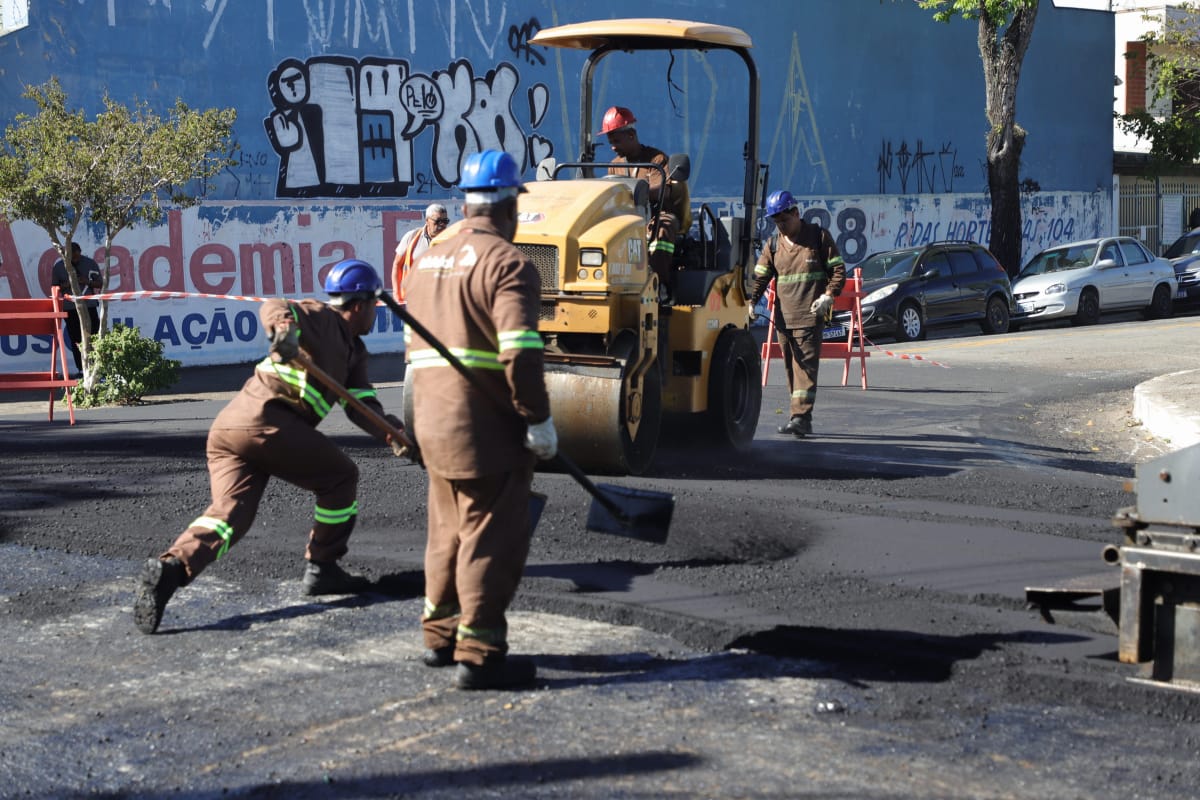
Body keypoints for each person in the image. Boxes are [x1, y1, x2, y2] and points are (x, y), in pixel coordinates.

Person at [133, 259, 407, 634]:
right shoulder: (320, 317)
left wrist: (395, 434)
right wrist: (284, 331)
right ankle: (323, 566)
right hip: (268, 423)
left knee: (231, 515)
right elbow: (275, 306)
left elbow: (363, 408)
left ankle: (171, 569)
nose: (376, 313)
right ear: (359, 305)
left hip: (229, 428)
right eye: (375, 305)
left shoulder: (354, 353)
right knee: (341, 477)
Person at [403, 149, 555, 691]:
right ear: (511, 202)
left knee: (444, 533)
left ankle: (440, 637)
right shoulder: (508, 263)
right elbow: (519, 351)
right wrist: (537, 418)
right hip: (485, 428)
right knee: (491, 536)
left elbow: (412, 352)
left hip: (432, 423)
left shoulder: (428, 261)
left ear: (467, 203)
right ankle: (480, 653)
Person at [749, 190, 846, 438]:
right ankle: (800, 417)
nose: (780, 225)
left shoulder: (818, 237)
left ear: (796, 213)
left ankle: (800, 417)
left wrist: (828, 296)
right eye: (776, 221)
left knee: (805, 368)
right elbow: (761, 278)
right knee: (792, 370)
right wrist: (751, 301)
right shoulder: (773, 245)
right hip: (784, 319)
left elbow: (838, 271)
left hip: (810, 316)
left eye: (784, 219)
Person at [597, 105, 691, 303]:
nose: (612, 146)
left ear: (631, 135)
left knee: (662, 229)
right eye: (610, 141)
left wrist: (638, 192)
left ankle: (660, 286)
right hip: (625, 220)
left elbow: (662, 190)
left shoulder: (656, 159)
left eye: (616, 140)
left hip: (657, 215)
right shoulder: (614, 165)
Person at [50, 242, 102, 377]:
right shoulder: (59, 267)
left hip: (89, 305)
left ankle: (97, 369)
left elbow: (100, 283)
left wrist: (87, 282)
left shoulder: (90, 263)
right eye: (73, 258)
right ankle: (81, 369)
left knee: (95, 337)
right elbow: (54, 288)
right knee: (76, 339)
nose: (76, 260)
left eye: (78, 257)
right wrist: (65, 285)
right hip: (71, 307)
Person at [391, 203, 450, 301]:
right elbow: (397, 265)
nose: (442, 224)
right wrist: (397, 295)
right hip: (414, 300)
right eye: (438, 221)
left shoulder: (452, 240)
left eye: (445, 221)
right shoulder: (412, 237)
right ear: (427, 220)